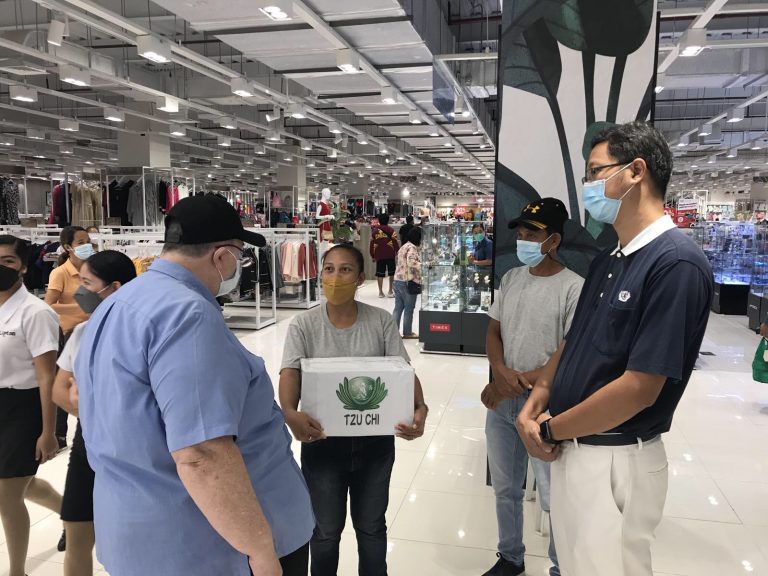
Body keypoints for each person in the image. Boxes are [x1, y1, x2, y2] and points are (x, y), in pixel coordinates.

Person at [74, 194, 314, 576]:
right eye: (240, 255)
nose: (239, 266)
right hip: (211, 546)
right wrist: (260, 549)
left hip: (139, 531)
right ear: (222, 257)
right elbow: (201, 453)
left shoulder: (117, 304)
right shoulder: (187, 314)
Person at [516, 122, 713, 576]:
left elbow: (640, 387)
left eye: (595, 171)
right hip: (573, 447)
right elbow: (574, 340)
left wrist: (550, 430)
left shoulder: (675, 263)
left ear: (635, 172)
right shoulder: (610, 258)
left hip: (616, 458)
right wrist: (536, 401)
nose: (588, 185)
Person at [279, 244, 428, 576]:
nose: (335, 277)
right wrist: (289, 411)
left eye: (345, 269)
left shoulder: (380, 321)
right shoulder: (304, 325)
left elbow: (403, 371)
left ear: (361, 278)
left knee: (371, 528)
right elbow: (290, 372)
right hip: (322, 444)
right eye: (329, 269)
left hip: (375, 444)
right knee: (324, 532)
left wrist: (420, 407)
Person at [481, 199, 583, 576]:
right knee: (505, 489)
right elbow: (493, 330)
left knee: (554, 495)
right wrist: (499, 370)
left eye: (532, 235)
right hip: (504, 403)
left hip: (545, 408)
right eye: (521, 233)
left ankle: (560, 566)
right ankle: (510, 557)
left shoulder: (574, 288)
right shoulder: (511, 279)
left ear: (554, 240)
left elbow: (567, 354)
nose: (523, 240)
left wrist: (514, 382)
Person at [52, 250, 137, 576]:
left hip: (133, 449)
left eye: (87, 283)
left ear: (114, 287)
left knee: (132, 536)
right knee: (77, 528)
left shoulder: (140, 332)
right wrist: (96, 414)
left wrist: (92, 404)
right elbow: (60, 390)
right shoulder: (82, 333)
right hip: (88, 442)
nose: (80, 291)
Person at [0, 235, 63, 576]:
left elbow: (46, 377)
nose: (1, 267)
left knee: (6, 495)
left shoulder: (36, 313)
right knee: (21, 483)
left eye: (8, 261)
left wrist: (49, 432)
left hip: (24, 409)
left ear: (24, 267)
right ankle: (73, 514)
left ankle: (16, 572)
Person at [45, 225, 93, 450]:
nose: (87, 246)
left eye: (88, 241)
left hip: (93, 329)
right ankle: (60, 434)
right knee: (65, 382)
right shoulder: (61, 273)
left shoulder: (93, 269)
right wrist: (80, 307)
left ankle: (89, 429)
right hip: (71, 333)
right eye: (81, 242)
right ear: (68, 247)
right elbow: (48, 305)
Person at [393, 227, 422, 339]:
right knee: (409, 308)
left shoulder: (404, 246)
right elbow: (412, 262)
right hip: (408, 281)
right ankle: (407, 332)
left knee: (398, 308)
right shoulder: (412, 248)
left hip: (398, 279)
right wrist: (424, 266)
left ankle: (394, 333)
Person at [370, 213, 399, 298]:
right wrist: (397, 252)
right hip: (390, 254)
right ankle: (390, 291)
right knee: (391, 273)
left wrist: (372, 255)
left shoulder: (374, 231)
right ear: (388, 220)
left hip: (379, 254)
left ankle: (380, 292)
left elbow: (372, 244)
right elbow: (395, 243)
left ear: (379, 220)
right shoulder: (391, 230)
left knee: (380, 274)